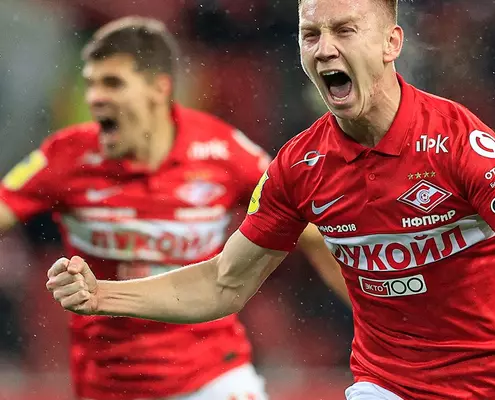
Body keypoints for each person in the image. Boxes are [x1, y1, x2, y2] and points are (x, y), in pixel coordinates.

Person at [46, 1, 495, 399]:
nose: (324, 48)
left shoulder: (458, 140)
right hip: (387, 386)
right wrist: (102, 295)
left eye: (345, 30)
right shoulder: (298, 167)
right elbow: (223, 283)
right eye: (311, 34)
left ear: (391, 43)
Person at [0, 16, 347, 400]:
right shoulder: (66, 155)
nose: (95, 97)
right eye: (91, 84)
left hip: (213, 376)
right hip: (109, 384)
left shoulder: (222, 151)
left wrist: (373, 315)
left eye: (112, 83)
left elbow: (310, 228)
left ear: (158, 88)